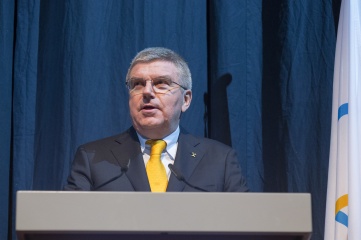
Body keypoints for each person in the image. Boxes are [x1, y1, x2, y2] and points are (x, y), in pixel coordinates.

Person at [64, 47, 248, 192]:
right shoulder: (92, 158)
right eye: (137, 84)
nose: (147, 92)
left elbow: (245, 225)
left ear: (186, 100)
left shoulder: (220, 159)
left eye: (161, 84)